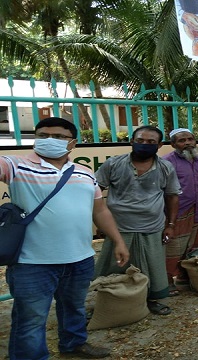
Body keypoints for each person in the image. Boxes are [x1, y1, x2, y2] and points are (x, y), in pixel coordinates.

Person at [1, 117, 129, 359]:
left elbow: (100, 210)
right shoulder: (16, 166)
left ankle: (73, 344)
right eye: (42, 135)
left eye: (58, 137)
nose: (49, 140)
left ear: (72, 143)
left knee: (74, 308)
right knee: (31, 319)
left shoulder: (85, 172)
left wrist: (118, 241)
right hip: (32, 263)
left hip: (80, 258)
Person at [94, 125, 181, 315]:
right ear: (131, 141)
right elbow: (95, 191)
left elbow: (172, 196)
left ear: (159, 146)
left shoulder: (165, 167)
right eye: (140, 140)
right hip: (118, 227)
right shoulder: (113, 164)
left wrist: (171, 225)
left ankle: (150, 300)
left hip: (152, 227)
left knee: (151, 265)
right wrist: (100, 223)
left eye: (151, 142)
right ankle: (110, 303)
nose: (144, 145)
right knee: (114, 266)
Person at [162, 128, 198, 295]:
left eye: (190, 139)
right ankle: (168, 281)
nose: (187, 143)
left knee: (195, 246)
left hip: (197, 210)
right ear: (173, 144)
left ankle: (187, 278)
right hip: (176, 213)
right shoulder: (166, 162)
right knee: (173, 248)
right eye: (182, 141)